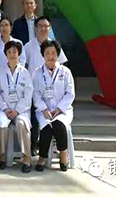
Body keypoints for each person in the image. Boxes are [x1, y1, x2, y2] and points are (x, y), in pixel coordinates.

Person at [24, 16, 68, 155]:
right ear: (35, 28)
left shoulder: (54, 45)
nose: (43, 28)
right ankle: (33, 145)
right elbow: (24, 66)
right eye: (40, 26)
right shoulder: (28, 46)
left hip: (53, 92)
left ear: (49, 28)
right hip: (34, 90)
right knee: (34, 117)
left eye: (46, 26)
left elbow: (62, 65)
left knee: (54, 119)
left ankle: (55, 146)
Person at [32, 40, 75, 172]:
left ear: (58, 54)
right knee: (46, 127)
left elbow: (70, 93)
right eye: (47, 53)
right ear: (43, 55)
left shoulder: (65, 72)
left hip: (62, 110)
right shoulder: (37, 73)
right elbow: (35, 93)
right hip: (43, 111)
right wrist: (44, 109)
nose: (51, 56)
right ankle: (42, 157)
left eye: (53, 53)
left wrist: (59, 109)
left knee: (58, 125)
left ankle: (63, 156)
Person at [0, 40, 34, 173]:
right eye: (9, 52)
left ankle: (26, 158)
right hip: (4, 109)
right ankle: (1, 156)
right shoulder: (0, 72)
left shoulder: (25, 73)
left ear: (19, 54)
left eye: (15, 52)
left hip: (21, 110)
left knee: (22, 124)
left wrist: (17, 111)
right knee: (1, 125)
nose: (12, 55)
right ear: (6, 54)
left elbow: (28, 95)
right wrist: (5, 109)